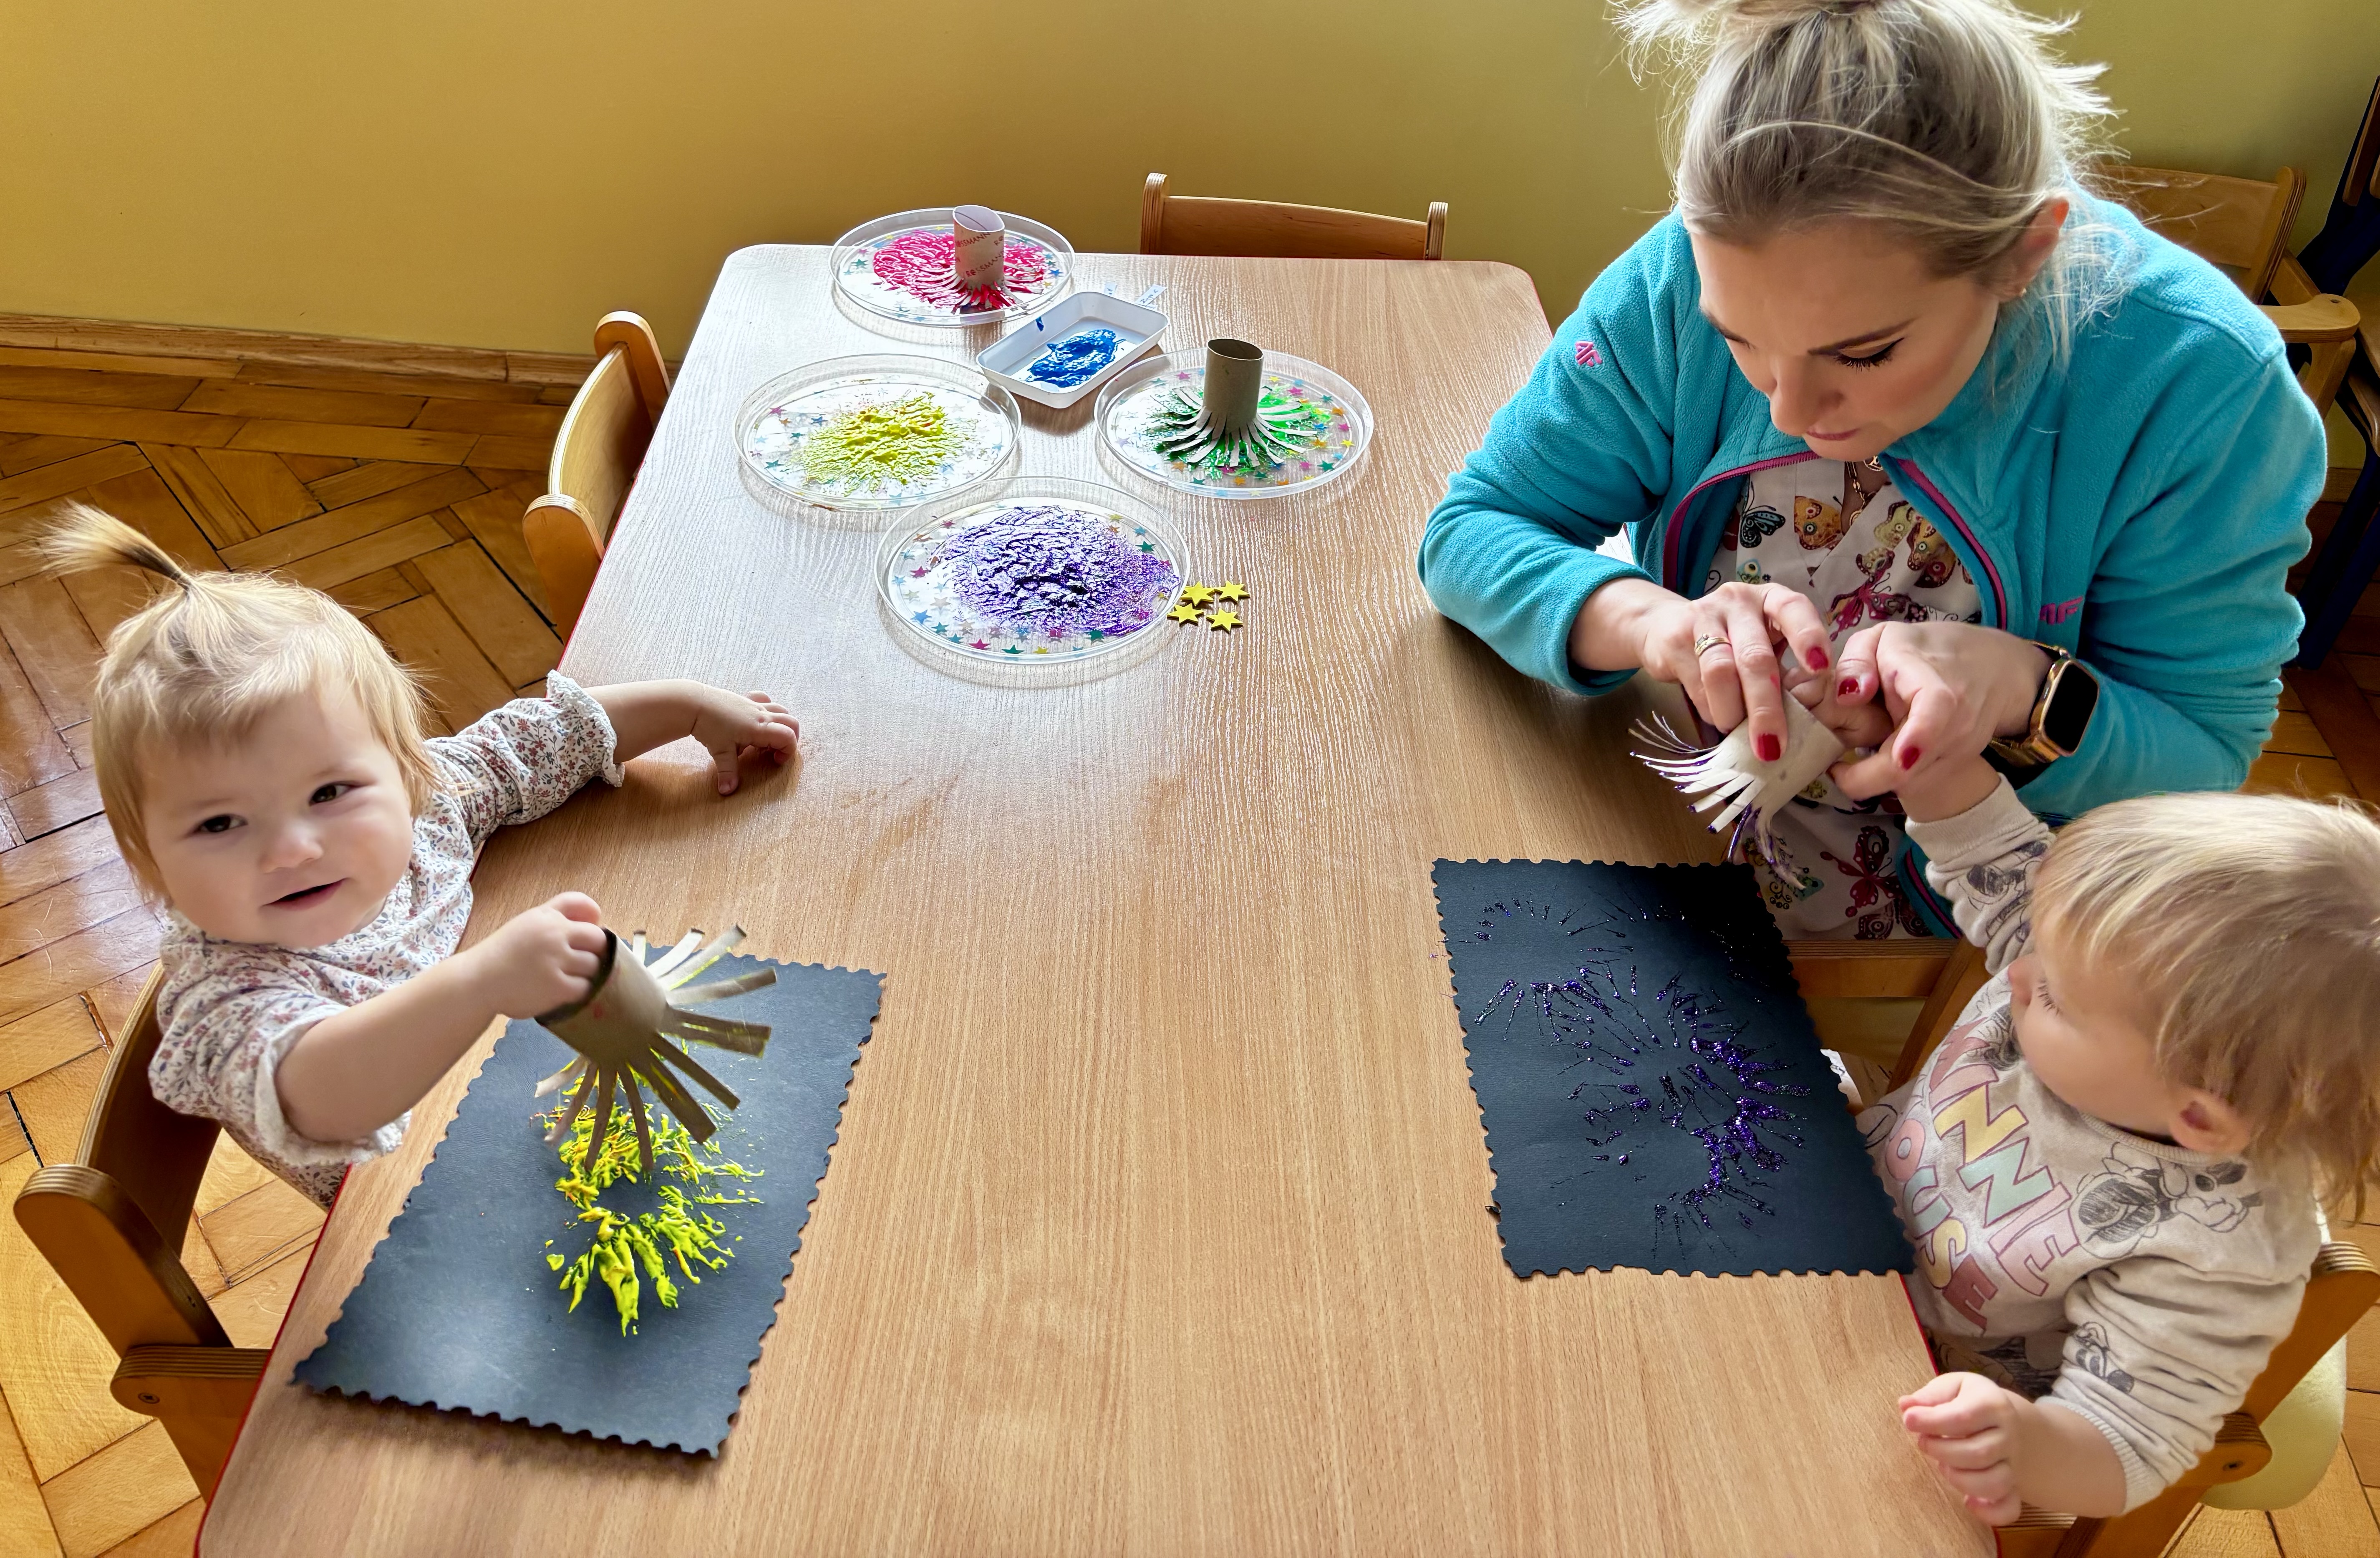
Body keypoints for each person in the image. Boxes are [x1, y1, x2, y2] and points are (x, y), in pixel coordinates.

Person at [1419, 0, 2325, 935]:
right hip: (1669, 840)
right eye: (1739, 339)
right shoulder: (1677, 280)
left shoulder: (2199, 384)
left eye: (1862, 354)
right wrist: (1654, 624)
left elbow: (2200, 756)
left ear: (2024, 253)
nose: (1787, 412)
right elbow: (1474, 528)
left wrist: (2023, 692)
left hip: (1974, 929)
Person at [44, 505, 801, 1207]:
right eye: (219, 823)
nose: (293, 849)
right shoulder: (223, 997)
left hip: (530, 1099)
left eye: (329, 791)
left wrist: (687, 706)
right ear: (147, 861)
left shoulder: (426, 808)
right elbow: (322, 1092)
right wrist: (481, 981)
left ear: (405, 770)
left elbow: (538, 740)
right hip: (429, 1211)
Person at [1852, 744, 2380, 1522]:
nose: (2017, 970)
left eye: (2054, 999)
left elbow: (2129, 1443)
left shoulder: (2213, 1256)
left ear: (2197, 1116)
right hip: (1839, 1213)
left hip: (1915, 1373)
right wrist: (1926, 754)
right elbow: (1990, 847)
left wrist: (2023, 1444)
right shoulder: (2095, 969)